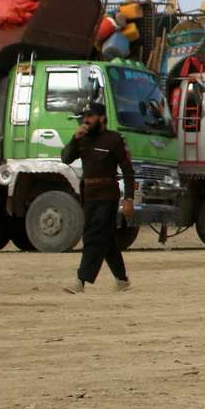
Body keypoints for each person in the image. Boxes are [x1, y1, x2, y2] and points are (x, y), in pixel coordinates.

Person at [60, 102, 135, 294]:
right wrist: (74, 139)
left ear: (101, 118)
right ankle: (122, 280)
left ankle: (81, 280)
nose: (86, 120)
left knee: (93, 237)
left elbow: (127, 169)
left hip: (108, 196)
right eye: (85, 116)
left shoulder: (114, 139)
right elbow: (65, 158)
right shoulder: (83, 139)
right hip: (89, 196)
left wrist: (129, 199)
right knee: (106, 240)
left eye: (91, 116)